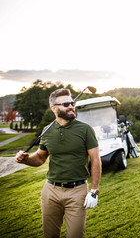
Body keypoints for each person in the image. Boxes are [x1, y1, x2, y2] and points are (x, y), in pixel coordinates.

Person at [15, 88, 102, 238]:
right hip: (50, 191)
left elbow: (96, 160)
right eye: (66, 104)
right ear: (54, 108)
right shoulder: (47, 131)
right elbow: (41, 158)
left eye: (72, 103)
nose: (71, 106)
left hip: (77, 191)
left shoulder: (85, 129)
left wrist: (94, 190)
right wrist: (26, 159)